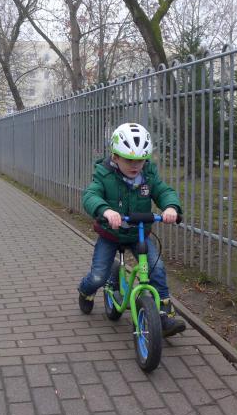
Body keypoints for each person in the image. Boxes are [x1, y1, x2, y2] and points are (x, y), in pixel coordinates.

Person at [78, 122, 186, 337]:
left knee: (156, 269)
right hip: (110, 234)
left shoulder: (148, 175)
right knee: (98, 276)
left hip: (138, 234)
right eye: (129, 160)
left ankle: (164, 313)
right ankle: (85, 291)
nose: (135, 165)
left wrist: (171, 207)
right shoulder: (104, 174)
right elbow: (91, 195)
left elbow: (163, 191)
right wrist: (106, 210)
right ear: (115, 157)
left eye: (140, 160)